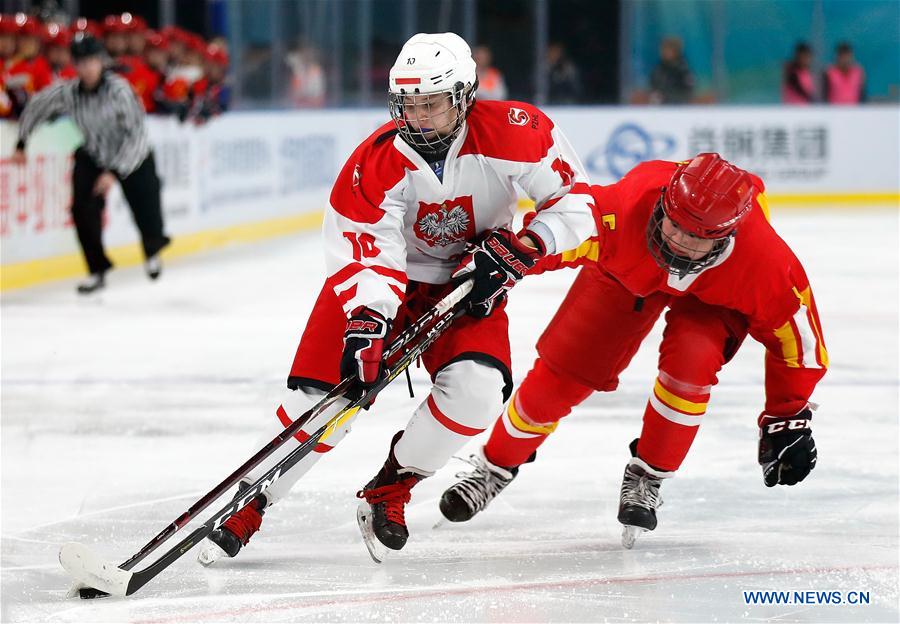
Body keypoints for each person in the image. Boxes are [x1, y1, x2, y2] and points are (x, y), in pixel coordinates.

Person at [195, 31, 596, 565]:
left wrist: (529, 244)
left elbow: (576, 202)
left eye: (431, 103)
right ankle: (251, 500)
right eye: (408, 104)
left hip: (469, 282)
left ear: (464, 97)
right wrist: (368, 319)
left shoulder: (518, 132)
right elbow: (366, 248)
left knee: (477, 391)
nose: (418, 116)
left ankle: (390, 488)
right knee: (323, 400)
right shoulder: (378, 160)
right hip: (389, 282)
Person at [440, 153, 828, 548]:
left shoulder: (764, 262)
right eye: (673, 224)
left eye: (695, 237)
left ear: (727, 236)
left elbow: (798, 342)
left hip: (713, 299)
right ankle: (495, 465)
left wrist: (786, 414)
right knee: (563, 373)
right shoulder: (628, 209)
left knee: (690, 367)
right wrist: (514, 257)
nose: (676, 240)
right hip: (626, 271)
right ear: (662, 203)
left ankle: (649, 476)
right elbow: (569, 227)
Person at [13, 34, 171, 294]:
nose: (87, 69)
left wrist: (114, 172)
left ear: (101, 62)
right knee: (82, 209)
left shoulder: (120, 90)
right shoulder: (68, 93)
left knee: (147, 203)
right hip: (94, 152)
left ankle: (152, 251)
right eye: (81, 63)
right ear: (74, 65)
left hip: (132, 154)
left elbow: (137, 134)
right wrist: (21, 142)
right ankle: (97, 269)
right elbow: (37, 106)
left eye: (92, 62)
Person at [649, 36, 694, 104]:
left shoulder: (683, 70)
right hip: (660, 110)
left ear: (676, 51)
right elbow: (653, 88)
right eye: (663, 49)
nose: (664, 52)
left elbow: (688, 93)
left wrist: (665, 96)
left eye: (668, 49)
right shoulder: (658, 69)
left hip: (678, 109)